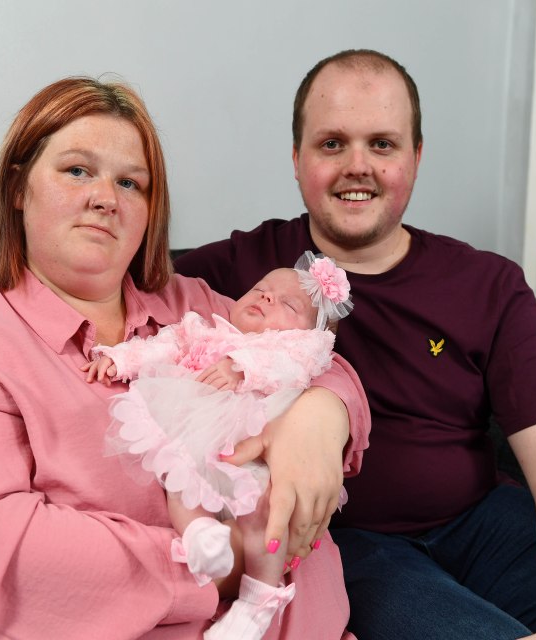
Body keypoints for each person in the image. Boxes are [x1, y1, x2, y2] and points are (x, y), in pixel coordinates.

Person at [0, 51, 536, 639]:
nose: (357, 166)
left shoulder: (485, 283)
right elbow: (66, 289)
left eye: (383, 143)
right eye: (332, 143)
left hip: (475, 521)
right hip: (354, 557)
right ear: (296, 161)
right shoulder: (231, 272)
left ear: (415, 158)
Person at [0, 76, 370, 639]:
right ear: (18, 187)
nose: (105, 198)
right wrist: (226, 564)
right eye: (77, 170)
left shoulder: (193, 303)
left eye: (131, 183)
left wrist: (320, 417)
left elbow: (309, 352)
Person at [85, 252, 353, 640]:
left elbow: (298, 365)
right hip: (198, 429)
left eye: (287, 304)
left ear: (308, 332)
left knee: (265, 511)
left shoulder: (297, 349)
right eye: (260, 290)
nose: (265, 298)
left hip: (254, 445)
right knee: (179, 472)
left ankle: (259, 597)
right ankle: (199, 535)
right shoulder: (206, 328)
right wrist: (120, 359)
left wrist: (240, 364)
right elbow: (164, 344)